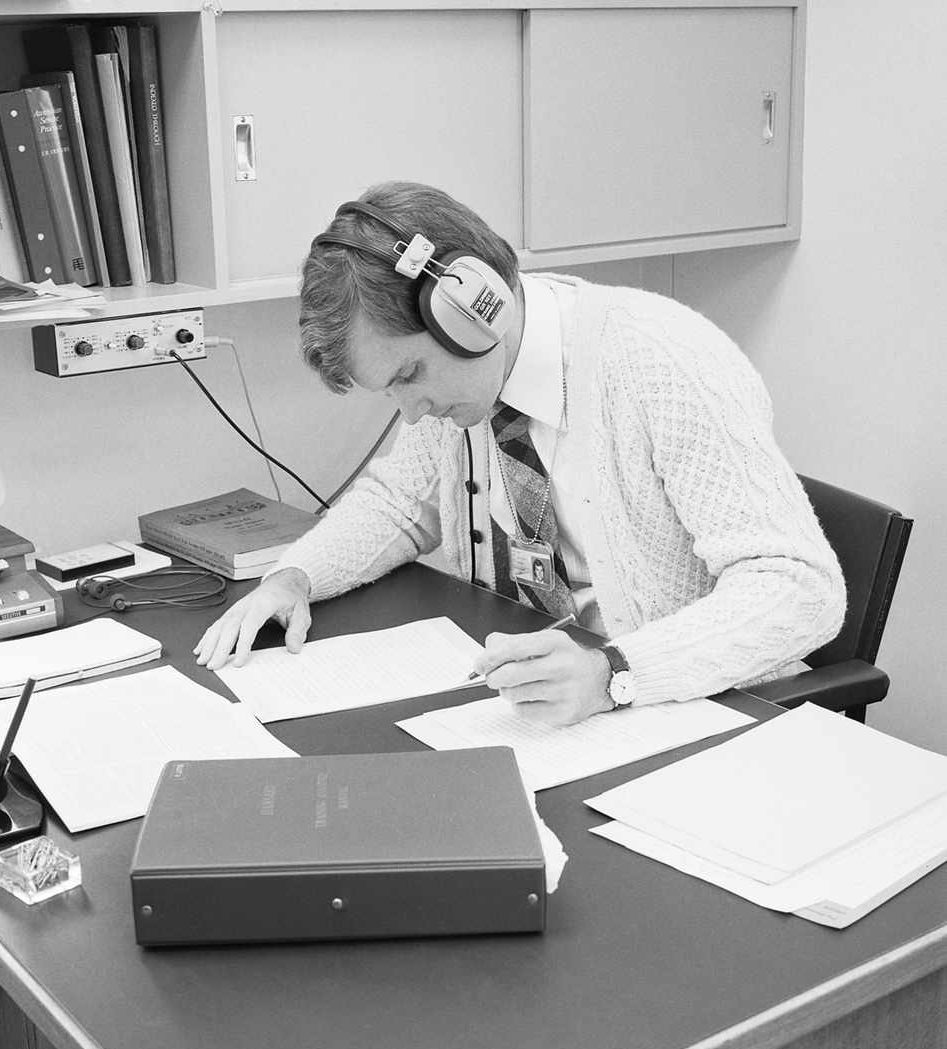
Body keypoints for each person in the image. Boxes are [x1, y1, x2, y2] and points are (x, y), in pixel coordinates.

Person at [195, 181, 846, 726]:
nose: (410, 411)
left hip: (699, 711)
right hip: (550, 716)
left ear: (469, 311)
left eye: (408, 376)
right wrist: (295, 576)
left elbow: (798, 591)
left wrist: (614, 672)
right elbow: (399, 501)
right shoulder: (465, 386)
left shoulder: (658, 359)